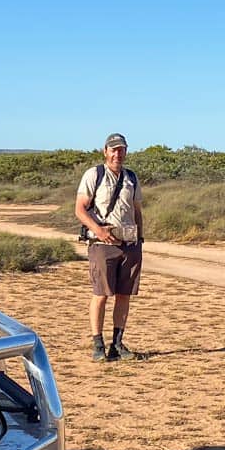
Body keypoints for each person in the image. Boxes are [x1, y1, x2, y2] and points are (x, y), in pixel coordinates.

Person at [75, 132, 143, 362]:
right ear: (105, 151)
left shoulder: (131, 177)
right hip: (101, 244)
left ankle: (117, 344)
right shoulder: (95, 174)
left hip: (129, 244)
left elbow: (137, 210)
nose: (117, 154)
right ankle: (97, 345)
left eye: (121, 149)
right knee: (102, 294)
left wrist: (139, 240)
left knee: (124, 295)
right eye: (113, 149)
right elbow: (80, 209)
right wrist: (100, 230)